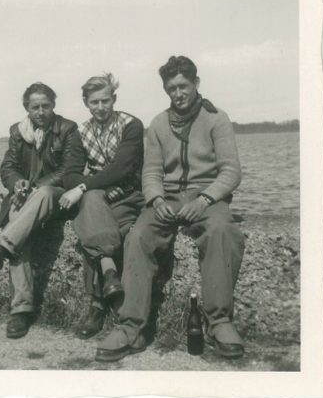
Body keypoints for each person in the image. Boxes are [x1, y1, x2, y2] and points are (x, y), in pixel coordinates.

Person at [95, 56, 245, 362]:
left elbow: (230, 172)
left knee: (221, 231)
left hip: (207, 198)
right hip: (169, 198)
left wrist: (204, 199)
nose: (178, 93)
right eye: (171, 88)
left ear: (196, 84)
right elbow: (151, 172)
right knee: (137, 236)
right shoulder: (159, 124)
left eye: (183, 86)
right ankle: (130, 326)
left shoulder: (217, 119)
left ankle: (219, 322)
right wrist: (157, 200)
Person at [0, 82, 77, 339]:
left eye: (46, 105)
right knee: (16, 218)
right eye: (35, 107)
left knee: (42, 194)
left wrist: (35, 187)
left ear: (53, 106)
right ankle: (21, 311)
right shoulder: (17, 132)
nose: (41, 111)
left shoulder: (67, 129)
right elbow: (8, 167)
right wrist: (17, 183)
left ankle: (2, 247)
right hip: (28, 199)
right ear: (27, 108)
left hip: (56, 197)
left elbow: (69, 170)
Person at [58, 73, 145, 340]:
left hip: (128, 195)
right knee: (93, 208)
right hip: (99, 198)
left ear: (114, 99)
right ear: (86, 103)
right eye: (94, 102)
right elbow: (69, 174)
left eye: (105, 101)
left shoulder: (131, 125)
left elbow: (122, 169)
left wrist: (85, 186)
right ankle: (106, 285)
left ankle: (97, 305)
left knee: (91, 224)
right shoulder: (80, 133)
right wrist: (88, 186)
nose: (100, 107)